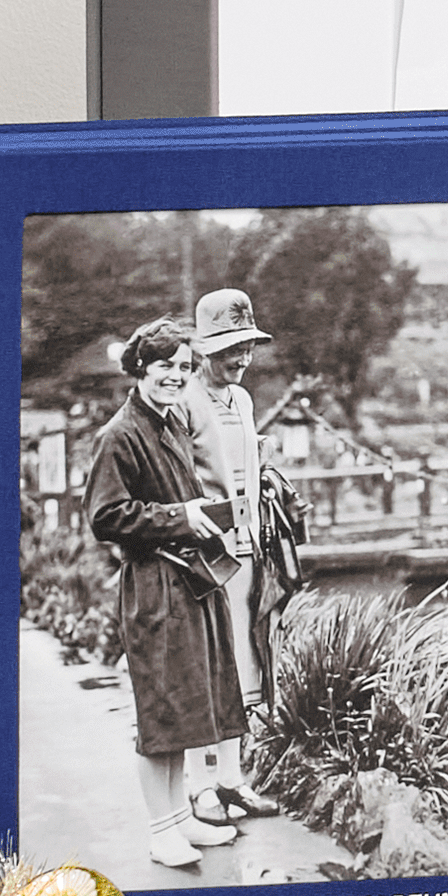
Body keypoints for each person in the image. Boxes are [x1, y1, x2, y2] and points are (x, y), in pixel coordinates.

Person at [77, 322, 251, 874]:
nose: (175, 376)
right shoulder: (120, 434)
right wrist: (183, 517)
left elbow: (183, 495)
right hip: (153, 585)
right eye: (164, 367)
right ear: (139, 369)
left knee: (189, 704)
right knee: (162, 711)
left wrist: (207, 517)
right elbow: (105, 517)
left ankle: (181, 818)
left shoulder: (170, 421)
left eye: (182, 367)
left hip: (188, 578)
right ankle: (160, 831)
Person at [175, 288, 308, 842]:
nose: (241, 357)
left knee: (245, 664)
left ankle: (232, 778)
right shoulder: (184, 399)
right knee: (207, 666)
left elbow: (242, 461)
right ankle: (199, 785)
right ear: (205, 348)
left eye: (248, 345)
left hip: (249, 549)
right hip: (206, 557)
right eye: (231, 347)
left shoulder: (244, 400)